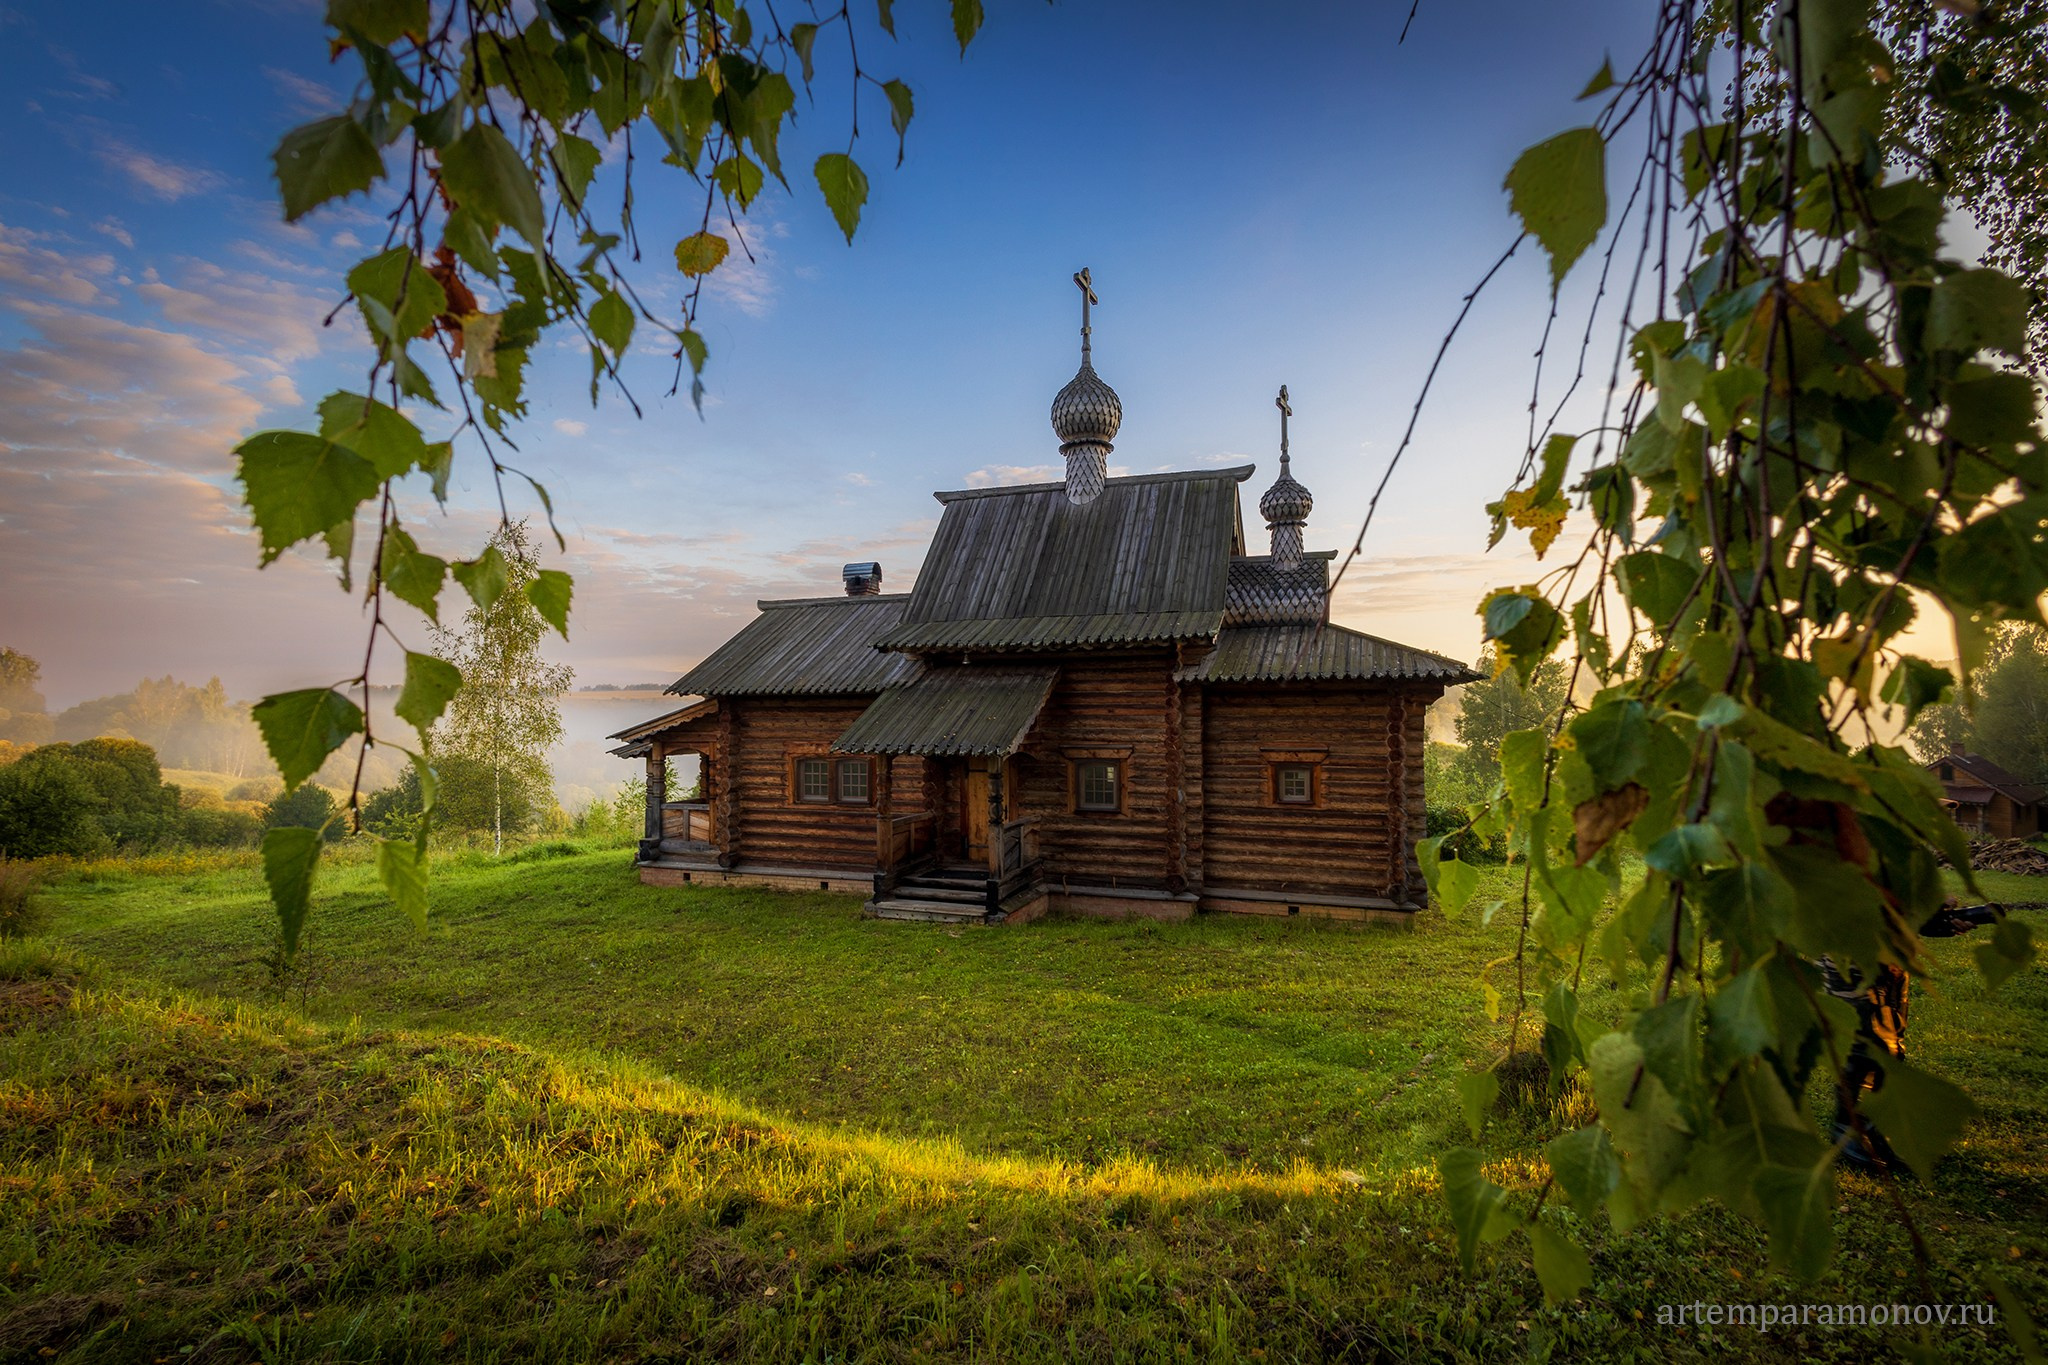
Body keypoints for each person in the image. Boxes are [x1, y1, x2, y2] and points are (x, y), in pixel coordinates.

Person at [1822, 901, 1997, 1173]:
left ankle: (1874, 1127)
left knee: (1890, 1045)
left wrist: (1936, 918)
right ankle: (1849, 1130)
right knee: (1866, 1044)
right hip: (1850, 950)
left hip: (1893, 956)